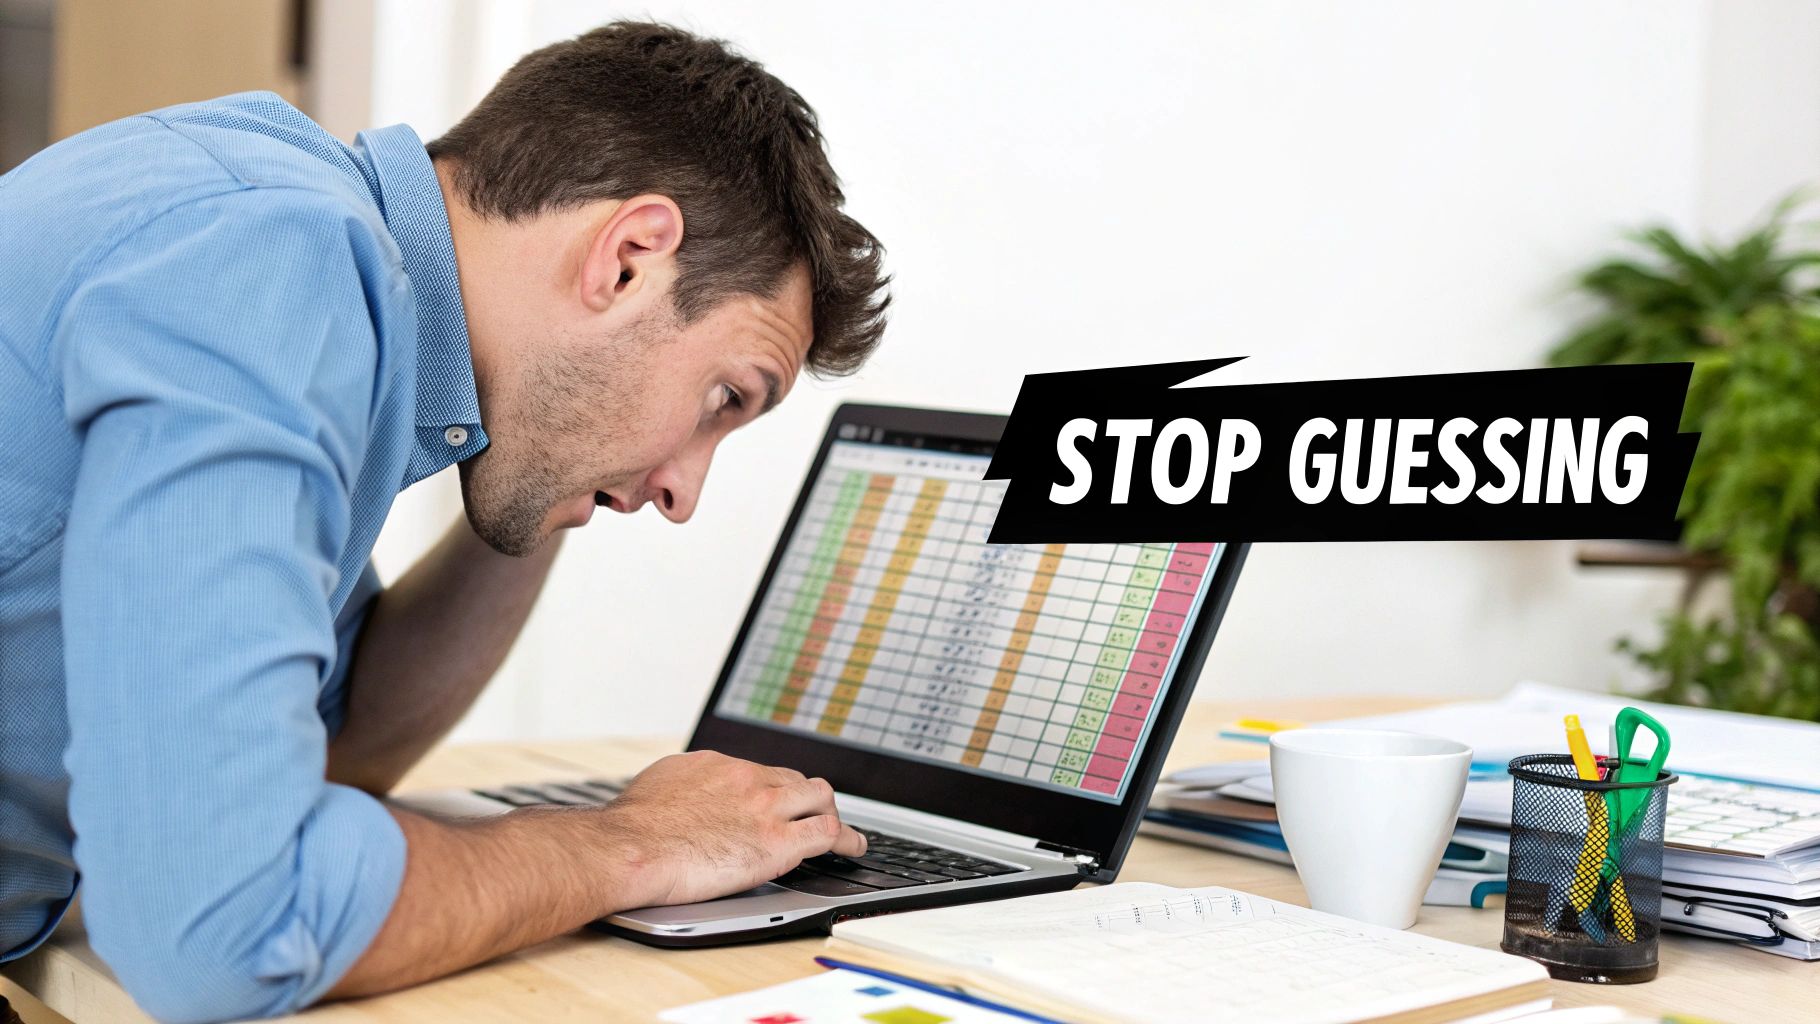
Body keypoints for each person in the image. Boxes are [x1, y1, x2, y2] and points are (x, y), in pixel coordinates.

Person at [0, 21, 888, 1023]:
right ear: (629, 257)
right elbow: (223, 925)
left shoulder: (296, 240)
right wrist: (634, 845)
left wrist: (560, 471)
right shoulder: (270, 269)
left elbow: (336, 749)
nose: (684, 493)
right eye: (724, 398)